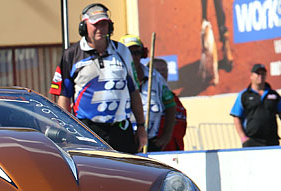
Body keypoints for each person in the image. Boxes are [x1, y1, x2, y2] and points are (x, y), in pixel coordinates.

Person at [50, 3, 147, 153]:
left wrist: (141, 127)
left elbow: (134, 91)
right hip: (87, 129)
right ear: (84, 27)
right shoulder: (71, 55)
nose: (100, 29)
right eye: (95, 25)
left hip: (121, 129)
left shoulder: (123, 51)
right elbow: (64, 96)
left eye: (104, 24)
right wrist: (64, 129)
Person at [119, 35, 176, 152]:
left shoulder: (155, 77)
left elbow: (171, 105)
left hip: (151, 142)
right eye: (129, 52)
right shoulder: (115, 77)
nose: (133, 56)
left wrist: (166, 136)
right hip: (124, 142)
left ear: (143, 54)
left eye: (137, 52)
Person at [230, 64, 281, 147]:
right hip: (252, 141)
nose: (260, 76)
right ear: (251, 76)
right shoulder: (244, 95)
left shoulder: (274, 95)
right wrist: (243, 138)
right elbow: (237, 117)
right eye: (258, 73)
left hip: (272, 140)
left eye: (263, 74)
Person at [152, 58, 187, 151]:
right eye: (157, 70)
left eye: (164, 70)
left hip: (175, 150)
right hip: (155, 150)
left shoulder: (174, 98)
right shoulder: (147, 97)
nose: (161, 73)